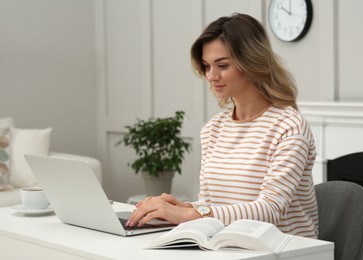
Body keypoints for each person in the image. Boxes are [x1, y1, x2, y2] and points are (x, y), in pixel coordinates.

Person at [127, 13, 318, 238]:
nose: (211, 76)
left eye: (222, 65)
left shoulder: (289, 126)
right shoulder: (213, 129)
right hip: (227, 247)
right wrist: (182, 208)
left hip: (283, 250)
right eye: (207, 66)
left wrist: (190, 215)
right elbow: (211, 205)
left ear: (252, 62)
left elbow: (270, 209)